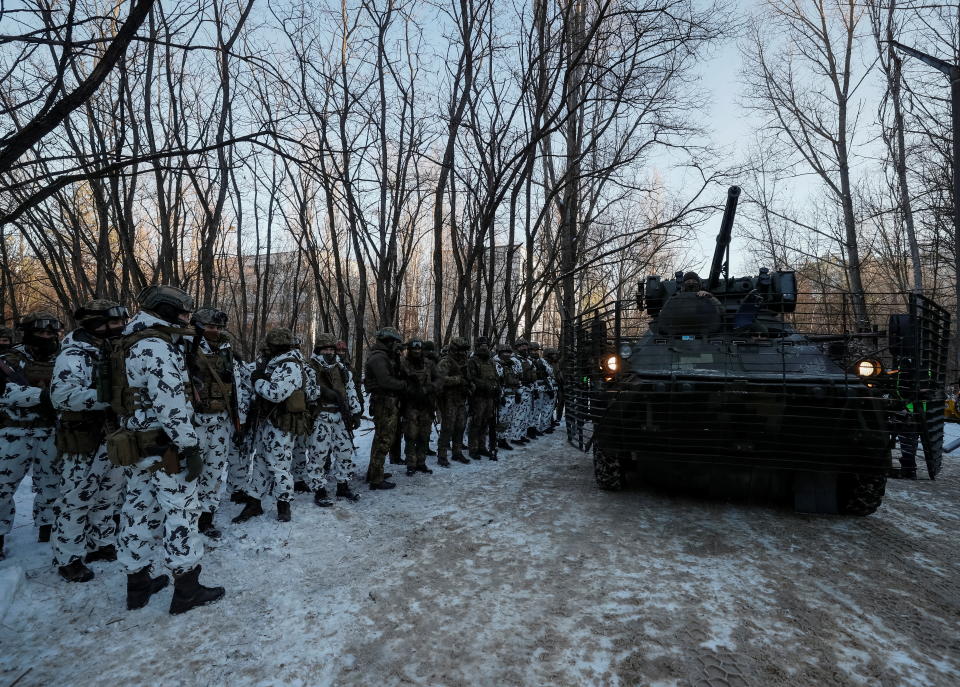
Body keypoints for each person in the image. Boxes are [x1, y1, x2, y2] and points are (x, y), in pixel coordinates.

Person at [114, 285, 224, 614]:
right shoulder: (155, 346)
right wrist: (189, 446)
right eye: (183, 312)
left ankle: (138, 586)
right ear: (164, 310)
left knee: (138, 512)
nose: (189, 317)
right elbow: (171, 406)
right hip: (167, 449)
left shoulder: (129, 340)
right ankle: (187, 590)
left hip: (138, 444)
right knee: (182, 514)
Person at [50, 300, 128, 582]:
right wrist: (107, 399)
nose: (120, 326)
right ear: (96, 325)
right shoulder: (73, 355)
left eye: (121, 321)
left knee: (109, 495)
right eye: (114, 322)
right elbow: (61, 396)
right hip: (84, 438)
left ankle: (101, 543)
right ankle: (68, 557)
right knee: (77, 499)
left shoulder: (112, 350)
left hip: (114, 437)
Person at [237, 328, 318, 523]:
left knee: (279, 465)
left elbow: (276, 394)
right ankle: (254, 502)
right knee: (260, 463)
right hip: (268, 422)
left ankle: (284, 504)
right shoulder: (275, 363)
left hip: (281, 424)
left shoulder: (290, 365)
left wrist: (257, 381)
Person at [0, 311, 63, 558]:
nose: (46, 337)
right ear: (28, 333)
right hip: (12, 432)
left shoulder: (63, 360)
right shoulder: (8, 359)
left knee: (51, 485)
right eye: (40, 333)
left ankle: (47, 530)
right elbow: (5, 393)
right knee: (2, 487)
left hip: (50, 432)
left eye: (50, 333)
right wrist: (44, 397)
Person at [188, 307, 239, 540]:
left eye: (218, 327)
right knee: (189, 474)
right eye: (210, 327)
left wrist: (240, 420)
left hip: (220, 421)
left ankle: (206, 519)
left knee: (214, 473)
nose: (215, 331)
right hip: (193, 422)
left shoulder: (227, 349)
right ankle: (186, 520)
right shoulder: (186, 347)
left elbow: (237, 387)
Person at [306, 333, 362, 506]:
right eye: (326, 349)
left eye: (332, 349)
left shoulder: (341, 367)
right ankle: (319, 490)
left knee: (345, 451)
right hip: (320, 416)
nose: (329, 352)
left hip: (340, 415)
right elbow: (307, 392)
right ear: (319, 350)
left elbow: (350, 389)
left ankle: (343, 486)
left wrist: (356, 411)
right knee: (319, 454)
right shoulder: (310, 367)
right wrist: (323, 392)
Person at [363, 327, 406, 490]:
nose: (396, 345)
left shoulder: (385, 356)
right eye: (394, 342)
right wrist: (404, 385)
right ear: (387, 341)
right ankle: (376, 478)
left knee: (381, 439)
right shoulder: (378, 358)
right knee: (384, 440)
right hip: (384, 402)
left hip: (387, 401)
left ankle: (374, 472)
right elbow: (386, 381)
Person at [400, 338, 438, 475]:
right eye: (414, 349)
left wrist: (428, 389)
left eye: (419, 349)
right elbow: (399, 382)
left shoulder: (429, 364)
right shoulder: (403, 364)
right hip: (410, 406)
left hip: (426, 405)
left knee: (424, 435)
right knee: (410, 436)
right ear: (409, 350)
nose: (416, 351)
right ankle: (411, 464)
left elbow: (438, 380)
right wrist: (410, 390)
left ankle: (421, 462)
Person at [436, 337, 472, 465]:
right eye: (461, 350)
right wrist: (458, 380)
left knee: (460, 426)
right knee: (447, 428)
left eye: (464, 350)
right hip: (448, 399)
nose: (463, 353)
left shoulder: (464, 362)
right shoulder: (445, 362)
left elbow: (467, 378)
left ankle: (457, 452)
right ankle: (442, 455)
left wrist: (469, 385)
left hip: (461, 399)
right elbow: (440, 380)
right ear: (454, 349)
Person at [466, 336, 499, 461]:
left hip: (490, 397)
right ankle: (473, 448)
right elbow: (471, 378)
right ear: (478, 347)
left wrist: (497, 388)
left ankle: (482, 446)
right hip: (478, 397)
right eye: (482, 346)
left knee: (486, 422)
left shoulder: (491, 361)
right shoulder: (473, 361)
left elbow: (495, 376)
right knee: (476, 423)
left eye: (486, 345)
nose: (484, 348)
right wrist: (485, 385)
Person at [494, 343, 520, 450]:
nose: (507, 354)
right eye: (504, 352)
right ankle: (498, 439)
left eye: (509, 352)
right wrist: (501, 396)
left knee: (509, 418)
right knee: (501, 419)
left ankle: (503, 439)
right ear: (499, 353)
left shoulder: (512, 364)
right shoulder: (496, 364)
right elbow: (498, 382)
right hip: (503, 395)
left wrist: (518, 392)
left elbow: (518, 379)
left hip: (512, 394)